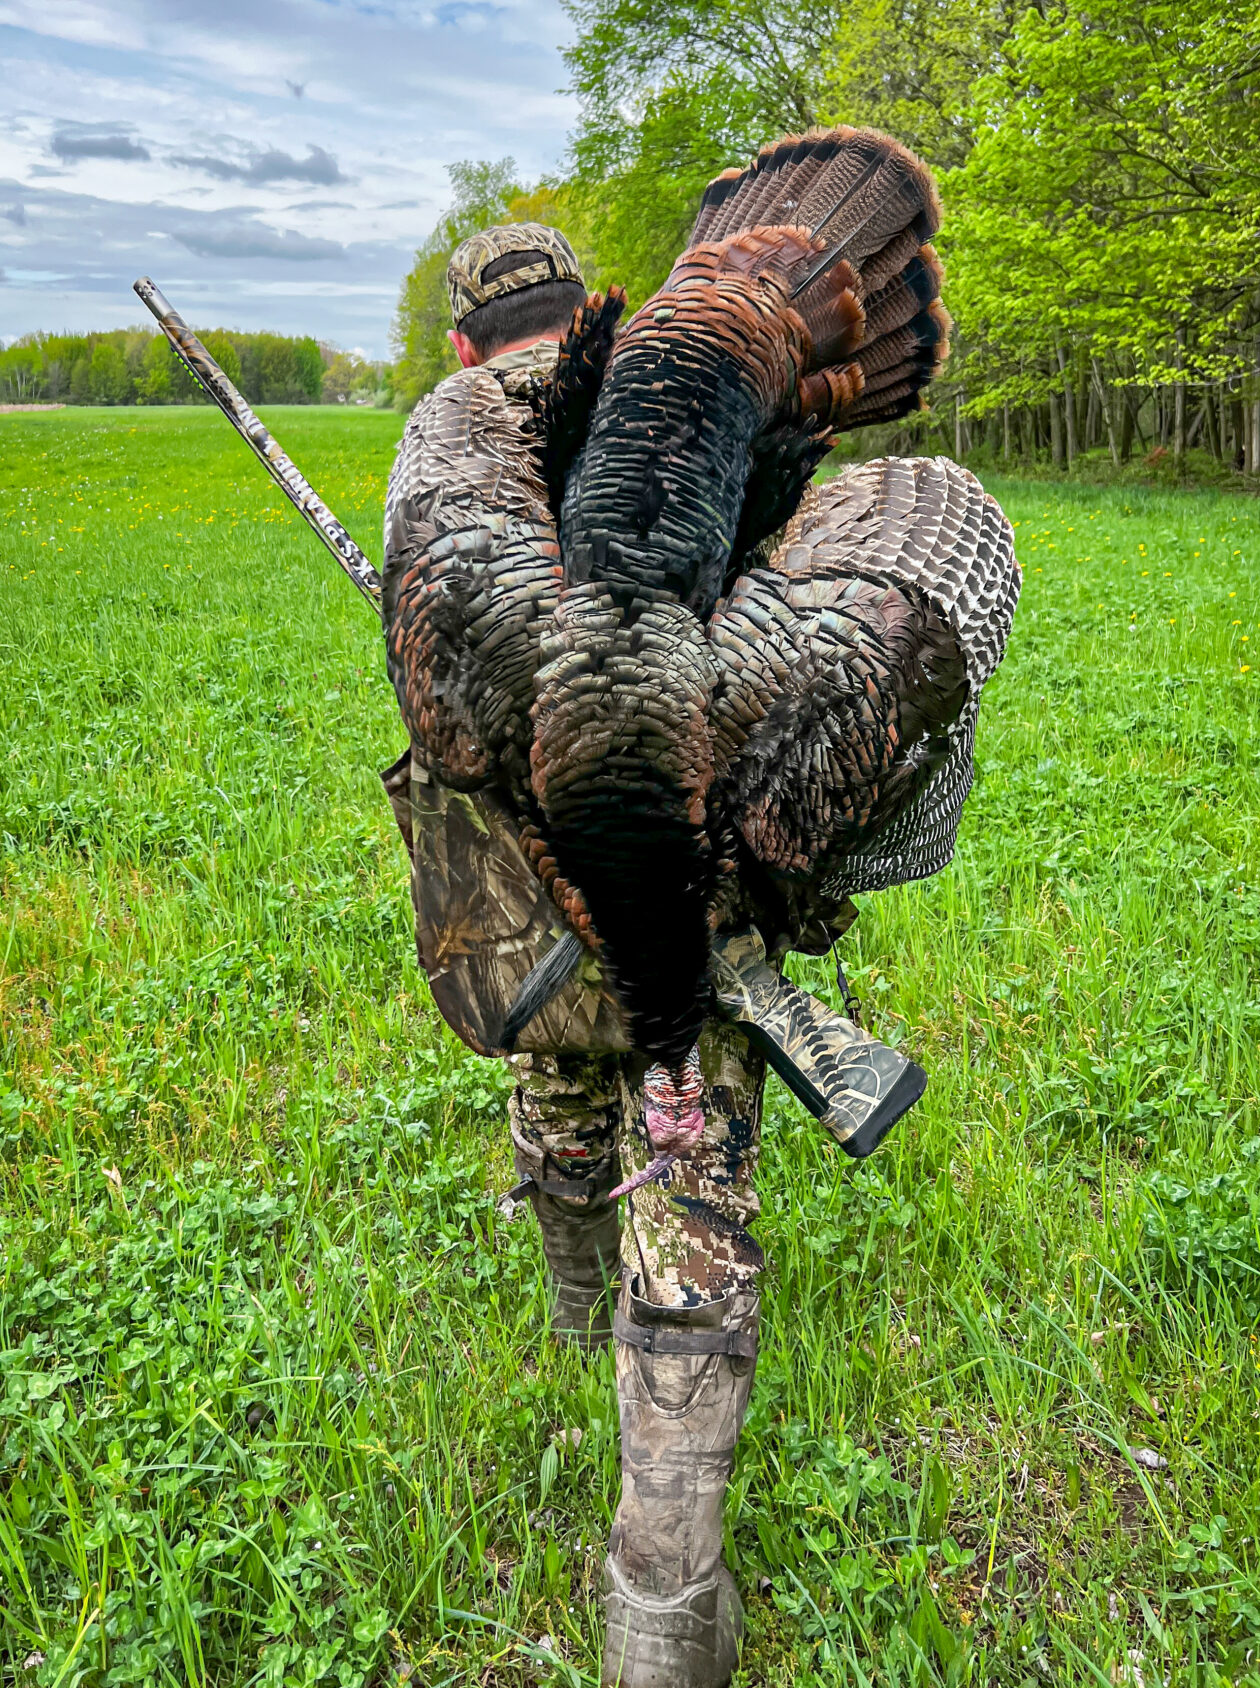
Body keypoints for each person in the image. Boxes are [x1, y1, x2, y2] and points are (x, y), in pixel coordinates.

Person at [384, 222, 770, 1688]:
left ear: (465, 343)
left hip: (526, 936)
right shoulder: (670, 406)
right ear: (586, 310)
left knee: (554, 1074)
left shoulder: (450, 435)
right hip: (687, 900)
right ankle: (661, 1608)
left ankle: (566, 1300)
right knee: (691, 1178)